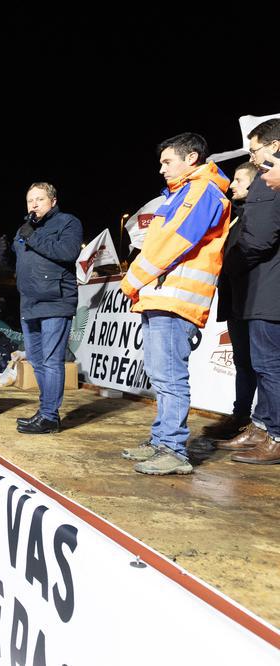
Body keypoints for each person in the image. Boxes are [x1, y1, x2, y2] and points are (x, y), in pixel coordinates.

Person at [121, 132, 231, 475]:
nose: (161, 169)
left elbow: (173, 244)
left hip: (177, 298)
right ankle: (160, 440)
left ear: (192, 158)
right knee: (159, 374)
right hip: (161, 295)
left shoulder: (203, 191)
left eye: (167, 162)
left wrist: (133, 279)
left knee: (169, 376)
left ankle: (173, 449)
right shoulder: (178, 194)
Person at [225, 119, 280, 464]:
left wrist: (227, 265)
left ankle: (275, 435)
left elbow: (258, 239)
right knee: (260, 364)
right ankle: (261, 425)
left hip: (267, 289)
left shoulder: (269, 182)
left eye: (255, 149)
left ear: (274, 147)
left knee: (268, 365)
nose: (252, 156)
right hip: (259, 289)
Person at [9, 182, 83, 434]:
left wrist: (32, 236)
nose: (34, 204)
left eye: (39, 199)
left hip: (55, 300)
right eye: (30, 200)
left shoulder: (68, 222)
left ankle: (50, 416)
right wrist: (6, 256)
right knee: (37, 361)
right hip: (29, 303)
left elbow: (67, 252)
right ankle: (45, 411)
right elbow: (22, 266)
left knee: (52, 361)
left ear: (52, 201)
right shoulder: (25, 228)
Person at [205, 161, 262, 441]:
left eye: (239, 180)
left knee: (262, 365)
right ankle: (240, 416)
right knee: (243, 363)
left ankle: (263, 425)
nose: (233, 185)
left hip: (256, 301)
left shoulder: (259, 214)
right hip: (235, 302)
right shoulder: (235, 216)